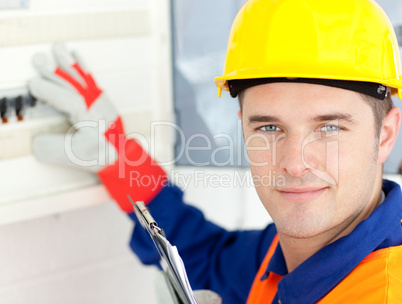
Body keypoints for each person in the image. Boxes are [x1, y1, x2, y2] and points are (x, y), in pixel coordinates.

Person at [29, 0, 402, 303]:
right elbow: (204, 257)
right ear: (242, 126)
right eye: (269, 127)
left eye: (329, 128)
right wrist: (120, 159)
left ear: (385, 134)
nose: (293, 163)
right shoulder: (293, 253)